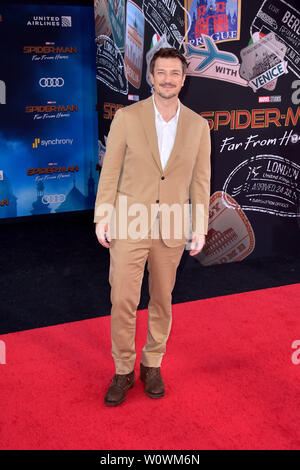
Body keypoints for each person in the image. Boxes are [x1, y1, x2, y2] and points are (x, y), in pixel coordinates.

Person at [94, 47, 211, 406]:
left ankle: (152, 364)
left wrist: (200, 225)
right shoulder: (127, 118)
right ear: (150, 76)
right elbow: (110, 170)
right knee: (123, 300)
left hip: (173, 224)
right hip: (129, 222)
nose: (167, 79)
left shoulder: (197, 125)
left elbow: (200, 180)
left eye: (175, 73)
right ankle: (124, 369)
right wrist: (103, 216)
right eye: (161, 72)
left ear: (184, 79)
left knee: (162, 299)